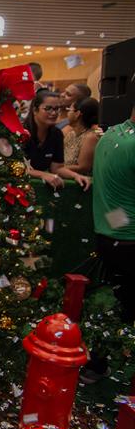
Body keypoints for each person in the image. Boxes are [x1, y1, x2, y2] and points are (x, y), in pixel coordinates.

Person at [83, 100, 135, 383]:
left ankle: (96, 363)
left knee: (114, 304)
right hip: (127, 240)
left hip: (110, 233)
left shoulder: (111, 135)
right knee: (121, 307)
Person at [23, 90, 91, 190]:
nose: (54, 113)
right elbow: (14, 167)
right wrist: (42, 175)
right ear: (35, 110)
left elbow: (57, 168)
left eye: (57, 109)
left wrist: (75, 176)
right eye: (48, 108)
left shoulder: (57, 134)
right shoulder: (21, 133)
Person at [63, 97, 100, 175]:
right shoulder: (71, 134)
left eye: (69, 110)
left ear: (77, 114)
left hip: (81, 182)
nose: (67, 113)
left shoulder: (91, 137)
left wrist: (56, 168)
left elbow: (83, 168)